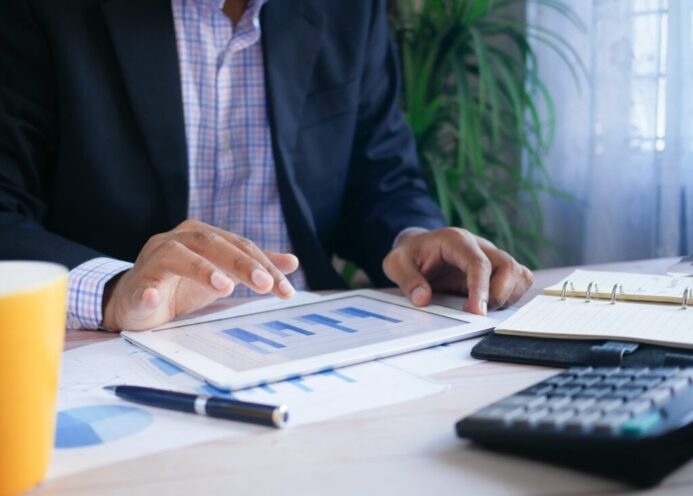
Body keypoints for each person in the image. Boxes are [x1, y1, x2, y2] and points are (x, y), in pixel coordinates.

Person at [0, 0, 533, 332]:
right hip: (117, 344)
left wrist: (411, 238)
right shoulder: (42, 11)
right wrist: (118, 292)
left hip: (310, 335)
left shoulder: (350, 9)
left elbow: (380, 178)